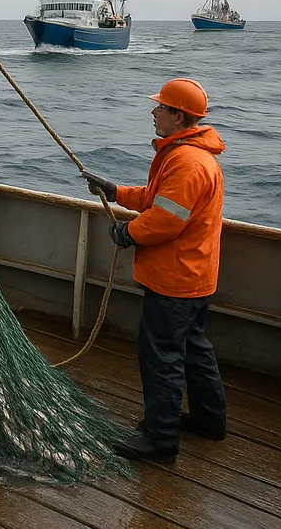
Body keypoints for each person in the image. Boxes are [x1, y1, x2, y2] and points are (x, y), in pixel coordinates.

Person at [82, 77, 227, 464]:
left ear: (178, 116)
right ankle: (210, 421)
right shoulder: (188, 155)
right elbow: (154, 198)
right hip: (196, 277)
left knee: (161, 355)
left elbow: (164, 220)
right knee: (194, 348)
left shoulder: (186, 162)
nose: (153, 111)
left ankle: (159, 440)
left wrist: (126, 232)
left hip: (175, 282)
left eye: (160, 107)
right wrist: (115, 192)